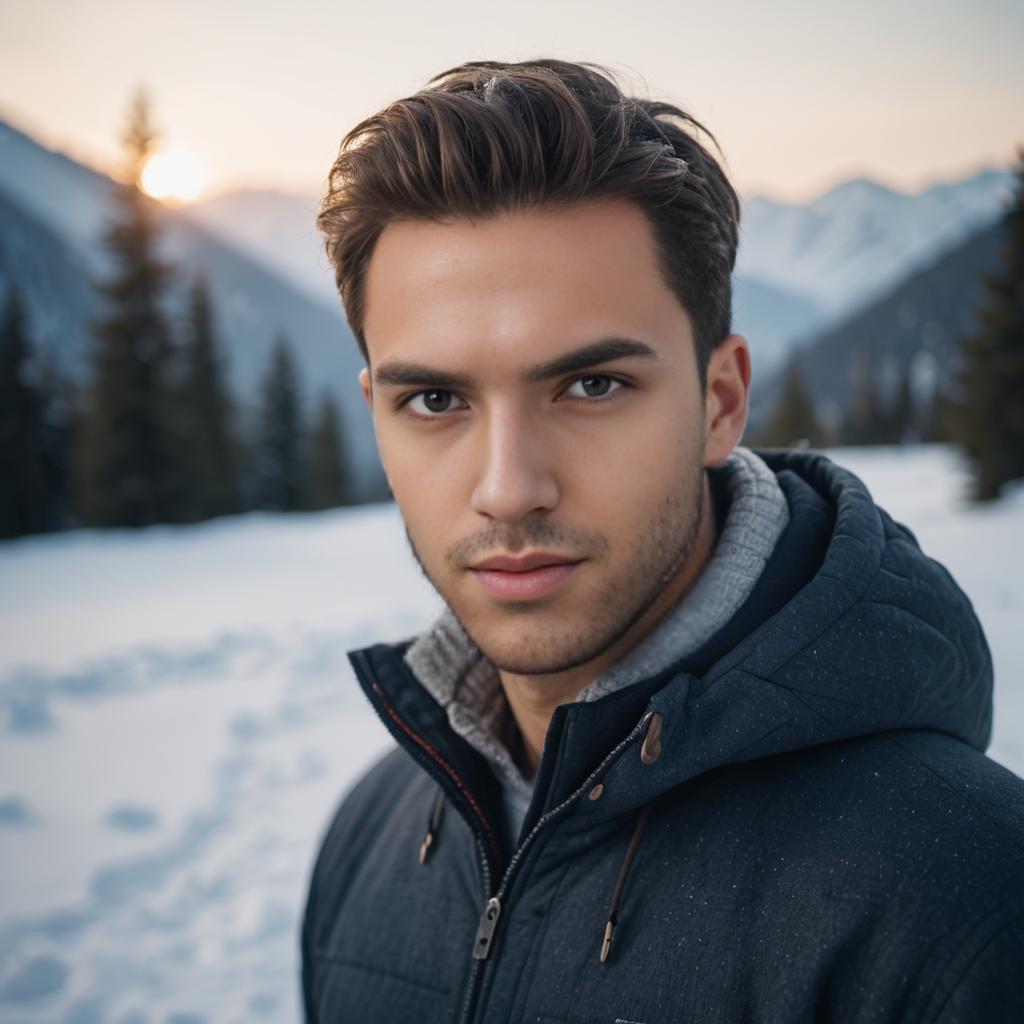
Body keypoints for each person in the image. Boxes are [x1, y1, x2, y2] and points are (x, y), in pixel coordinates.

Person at [300, 59, 1024, 1023]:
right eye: (434, 400)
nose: (508, 489)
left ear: (720, 402)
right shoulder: (370, 838)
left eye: (592, 386)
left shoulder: (966, 899)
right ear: (376, 416)